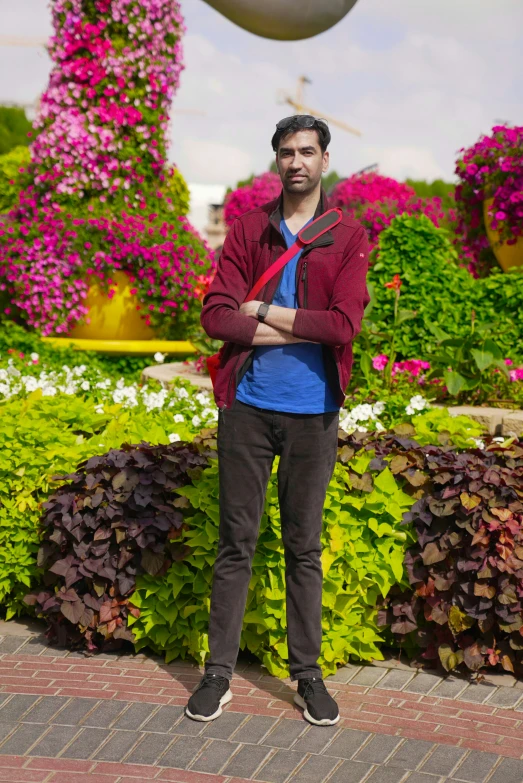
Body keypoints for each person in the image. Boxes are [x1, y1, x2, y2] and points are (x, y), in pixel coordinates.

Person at [186, 115, 369, 726]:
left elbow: (341, 326)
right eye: (287, 152)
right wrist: (287, 326)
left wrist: (262, 309)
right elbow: (216, 315)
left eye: (308, 151)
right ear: (276, 161)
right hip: (248, 410)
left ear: (324, 160)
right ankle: (219, 673)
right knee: (234, 543)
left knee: (303, 548)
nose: (297, 161)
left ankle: (307, 676)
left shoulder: (347, 237)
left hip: (312, 414)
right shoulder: (247, 230)